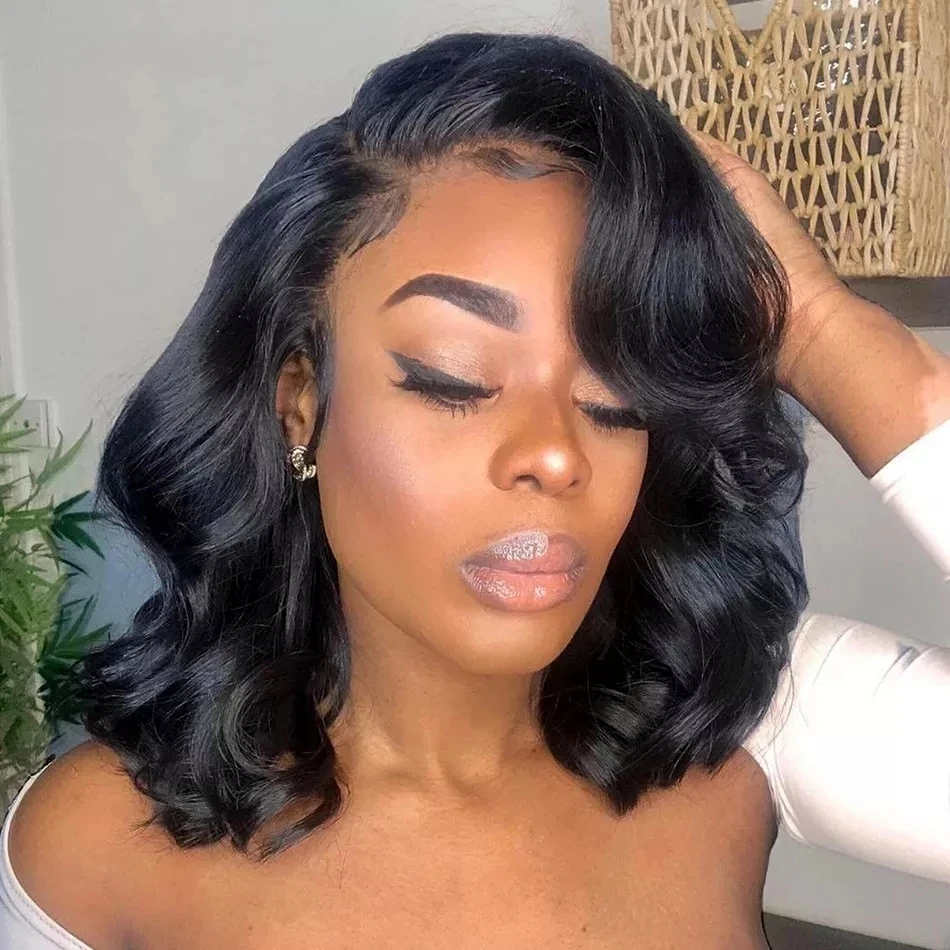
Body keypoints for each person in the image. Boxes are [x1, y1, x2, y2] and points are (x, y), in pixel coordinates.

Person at [2, 32, 948, 950]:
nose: (557, 456)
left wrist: (820, 332)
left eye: (617, 397)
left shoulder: (745, 725)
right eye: (454, 380)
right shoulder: (97, 847)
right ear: (299, 403)